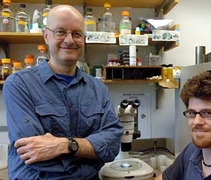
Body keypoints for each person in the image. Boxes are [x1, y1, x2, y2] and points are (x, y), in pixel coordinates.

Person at [3, 5, 123, 180]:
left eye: (76, 34)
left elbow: (112, 145)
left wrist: (65, 146)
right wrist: (90, 151)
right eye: (60, 32)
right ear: (46, 35)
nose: (69, 40)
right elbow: (34, 153)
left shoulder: (98, 89)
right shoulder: (19, 84)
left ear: (84, 38)